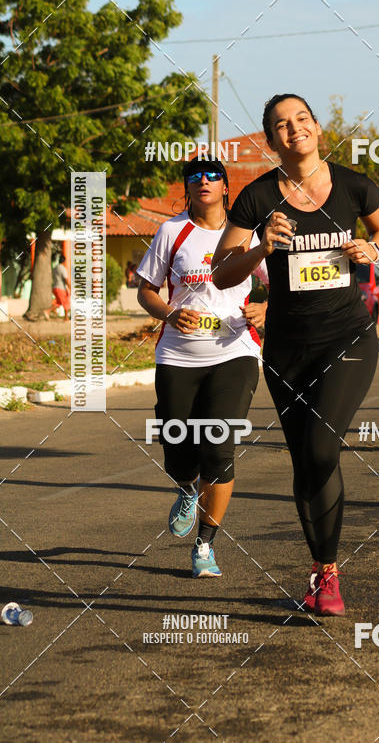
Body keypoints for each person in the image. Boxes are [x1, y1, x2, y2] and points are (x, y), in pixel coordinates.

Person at [212, 93, 379, 616]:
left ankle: (328, 570)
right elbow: (223, 272)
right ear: (272, 140)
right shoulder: (256, 198)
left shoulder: (354, 185)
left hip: (348, 338)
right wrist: (261, 248)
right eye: (281, 125)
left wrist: (374, 249)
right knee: (305, 461)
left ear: (317, 127)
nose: (294, 130)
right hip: (287, 349)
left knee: (320, 448)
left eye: (302, 120)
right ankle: (323, 572)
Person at [136, 158, 268, 577]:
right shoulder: (172, 232)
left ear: (227, 188)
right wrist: (170, 314)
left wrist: (266, 308)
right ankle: (186, 488)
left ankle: (205, 546)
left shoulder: (250, 234)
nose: (204, 182)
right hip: (178, 355)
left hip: (235, 351)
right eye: (195, 178)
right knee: (177, 446)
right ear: (187, 189)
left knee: (219, 445)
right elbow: (147, 290)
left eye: (213, 176)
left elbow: (279, 284)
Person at [44, 254, 70, 320]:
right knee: (66, 302)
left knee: (59, 303)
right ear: (64, 261)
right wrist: (70, 287)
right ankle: (66, 318)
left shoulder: (55, 268)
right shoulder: (63, 268)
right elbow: (65, 279)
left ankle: (47, 312)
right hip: (61, 288)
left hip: (55, 287)